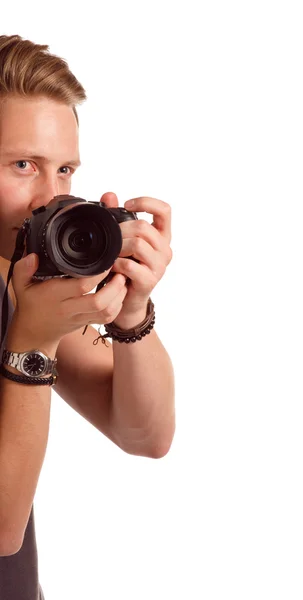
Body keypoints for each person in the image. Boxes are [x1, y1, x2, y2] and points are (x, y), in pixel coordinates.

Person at [0, 34, 175, 600]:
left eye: (66, 170)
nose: (49, 198)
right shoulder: (30, 309)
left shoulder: (16, 278)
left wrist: (132, 314)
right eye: (23, 164)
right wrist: (33, 341)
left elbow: (145, 434)